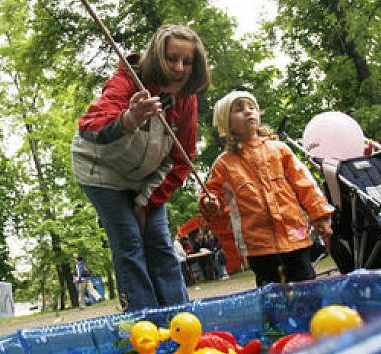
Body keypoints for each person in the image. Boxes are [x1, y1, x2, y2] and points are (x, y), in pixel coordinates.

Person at [71, 24, 211, 311]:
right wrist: (129, 118)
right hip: (102, 173)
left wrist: (147, 201)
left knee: (160, 243)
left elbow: (181, 158)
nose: (179, 67)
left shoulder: (186, 100)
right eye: (172, 58)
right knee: (130, 244)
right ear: (158, 55)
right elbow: (90, 126)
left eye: (187, 62)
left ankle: (180, 318)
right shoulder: (126, 80)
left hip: (145, 176)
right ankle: (143, 323)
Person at [200, 91, 334, 287]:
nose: (248, 112)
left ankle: (312, 316)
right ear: (226, 123)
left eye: (251, 107)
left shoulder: (279, 149)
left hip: (294, 235)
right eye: (239, 109)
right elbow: (211, 195)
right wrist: (209, 203)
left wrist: (319, 215)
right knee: (271, 293)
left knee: (306, 285)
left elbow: (305, 184)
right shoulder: (224, 164)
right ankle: (275, 318)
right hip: (258, 246)